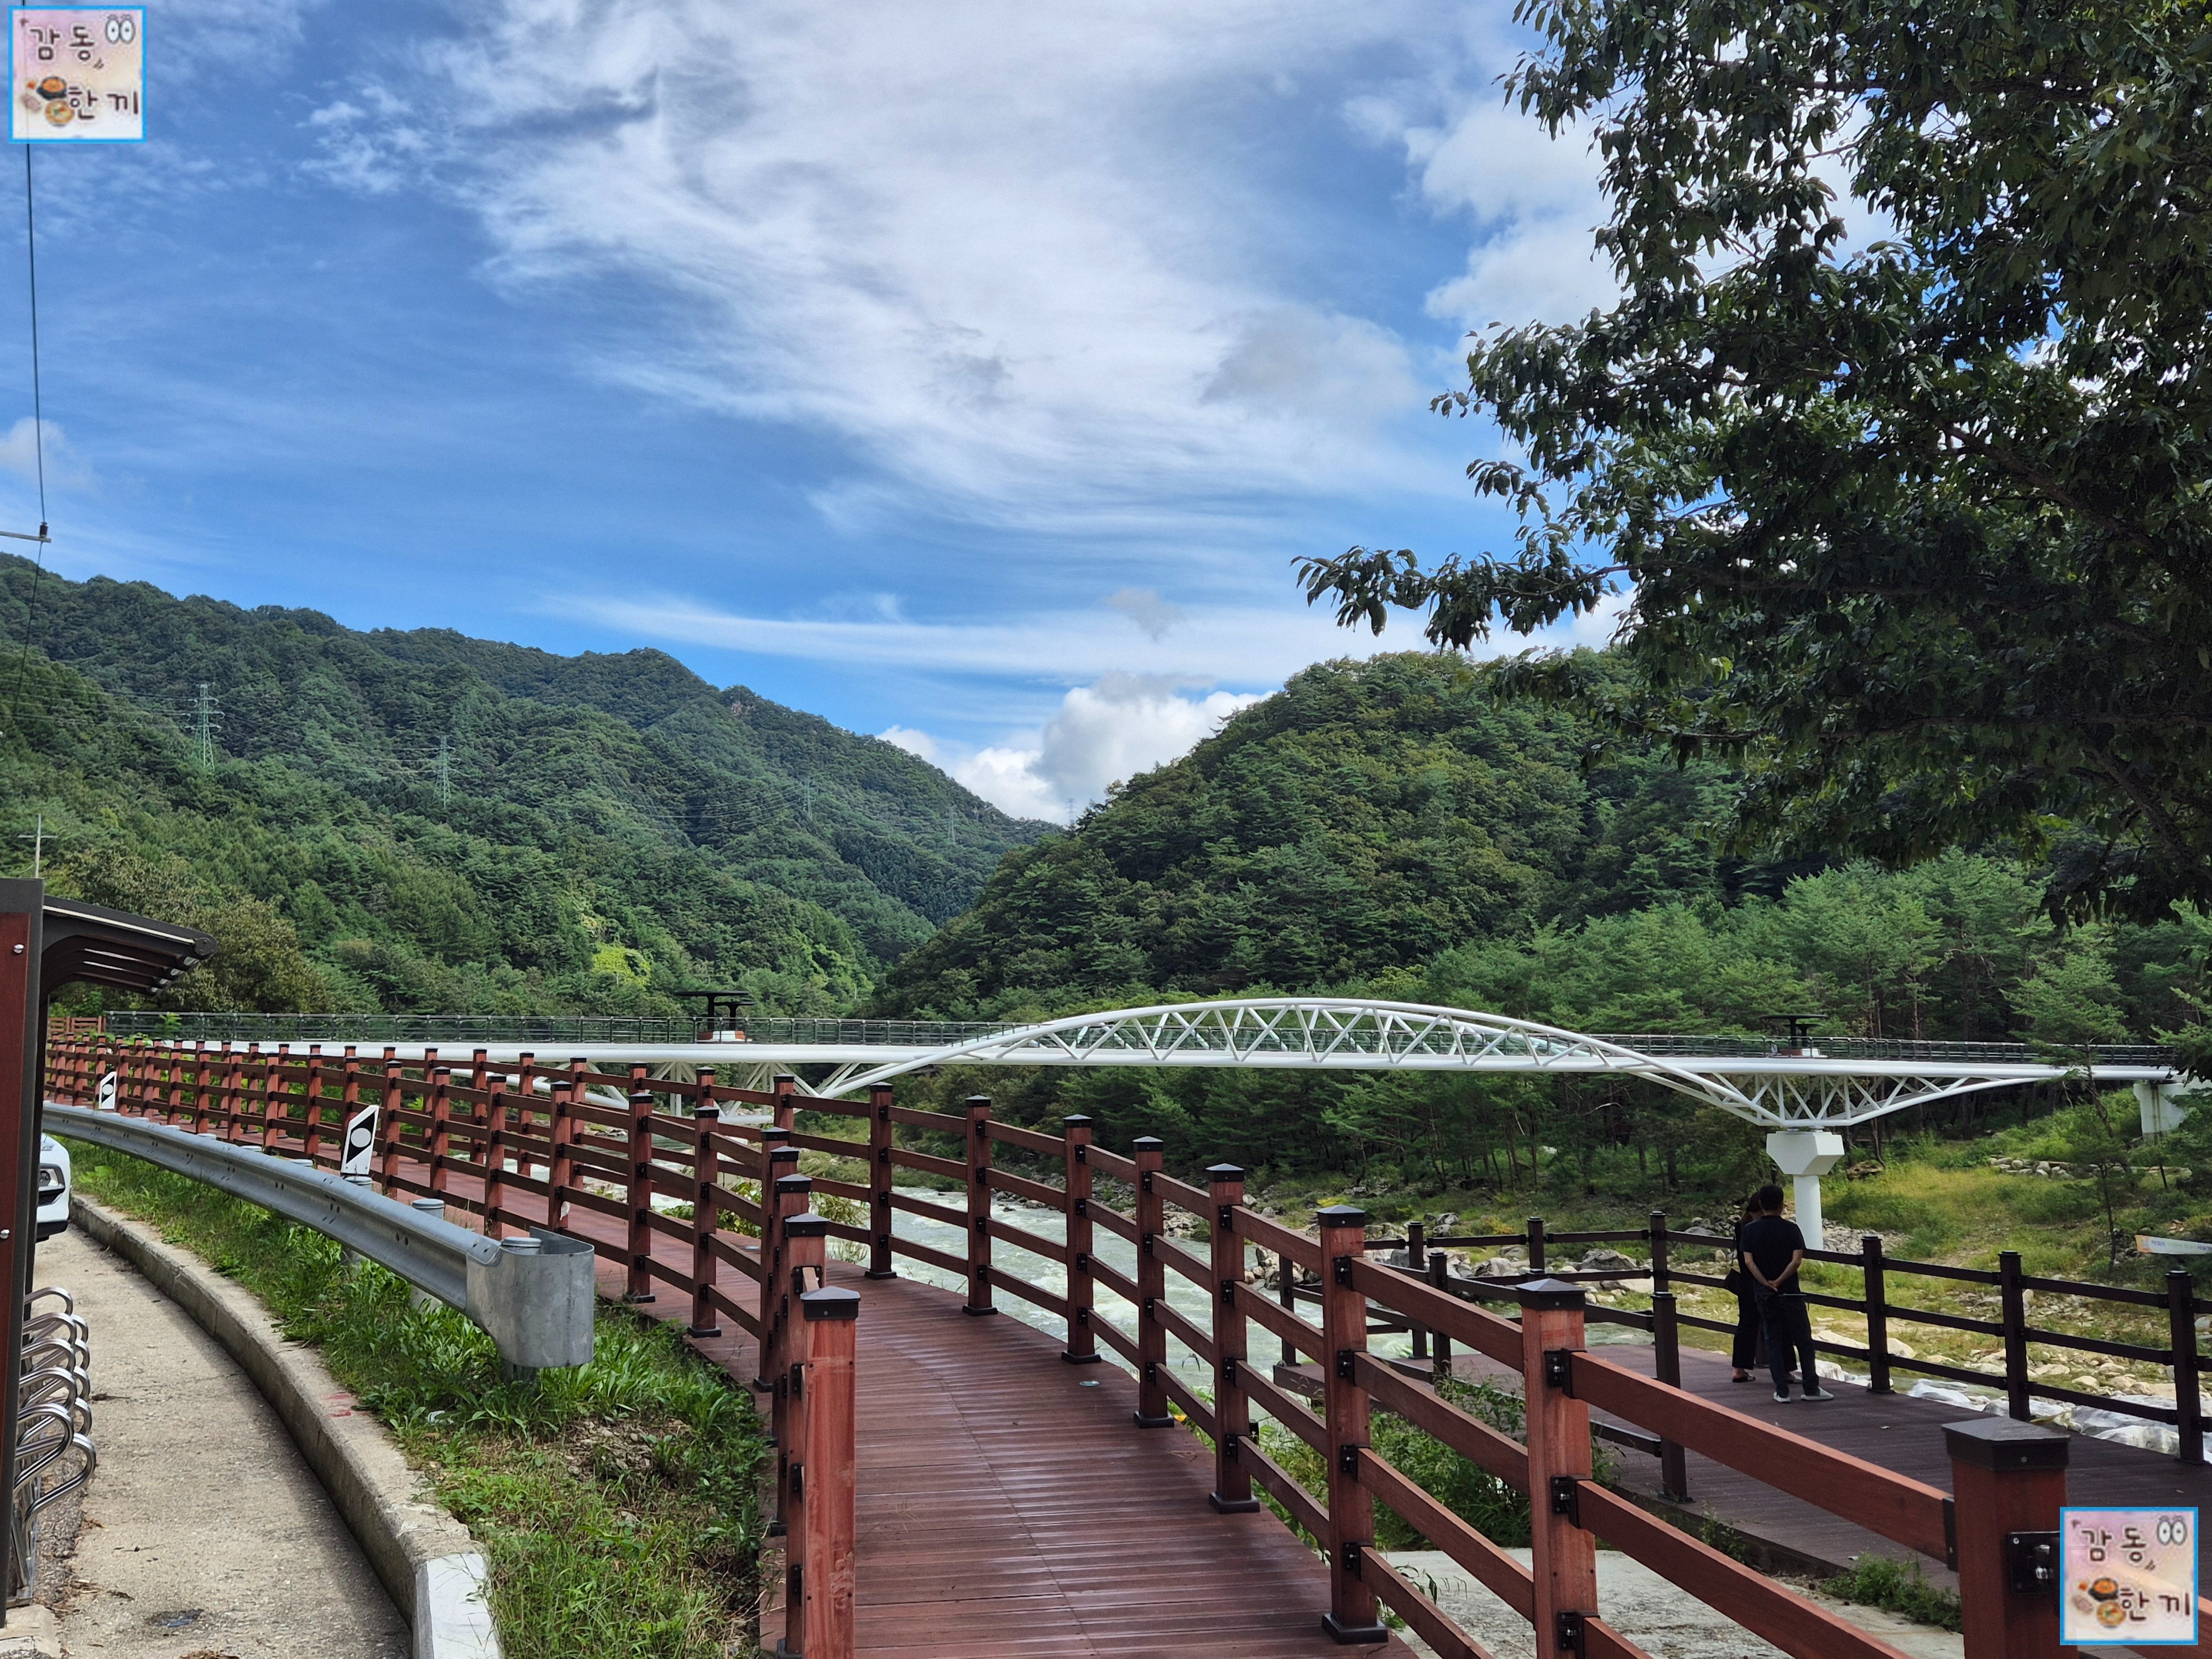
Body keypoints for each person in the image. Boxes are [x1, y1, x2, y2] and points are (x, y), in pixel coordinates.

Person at [1739, 1183, 1832, 1403]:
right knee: (1803, 1340)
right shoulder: (1792, 1229)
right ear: (1782, 1205)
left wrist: (1766, 1283)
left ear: (1761, 1204)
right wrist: (1781, 1280)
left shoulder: (1750, 1230)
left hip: (1765, 1294)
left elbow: (1749, 1261)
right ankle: (1811, 1389)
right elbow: (1797, 1260)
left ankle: (1782, 1391)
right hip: (1791, 1292)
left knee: (1773, 1339)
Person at [1726, 1196, 1762, 1382]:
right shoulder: (1758, 1228)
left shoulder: (1741, 1226)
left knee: (1746, 1325)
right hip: (1761, 1280)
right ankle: (1786, 1371)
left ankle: (1739, 1369)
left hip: (1745, 1282)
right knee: (1777, 1324)